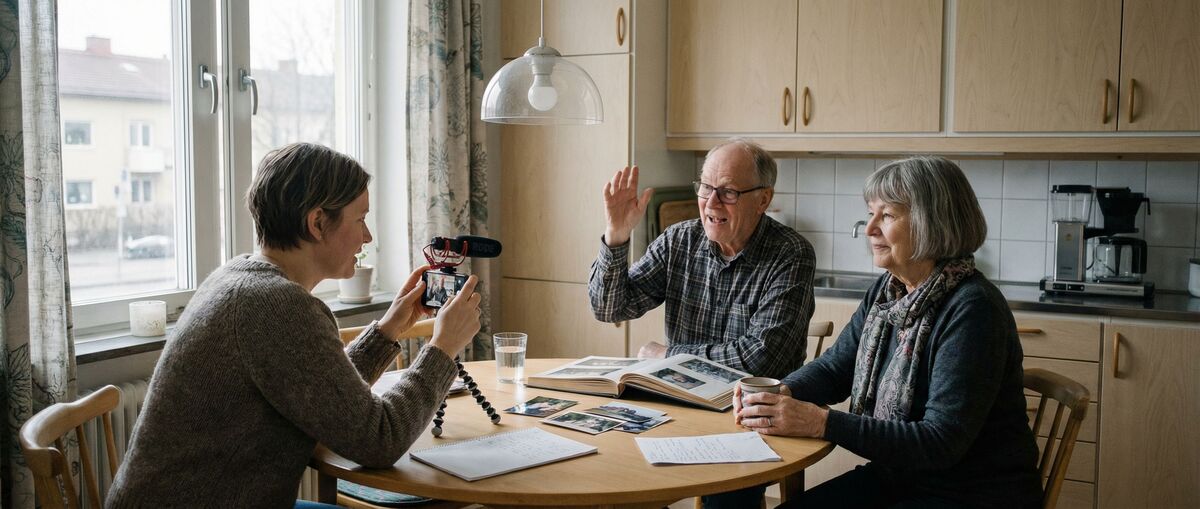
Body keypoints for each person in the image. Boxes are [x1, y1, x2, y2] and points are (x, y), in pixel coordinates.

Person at [106, 143, 483, 508]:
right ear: (318, 222)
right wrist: (443, 347)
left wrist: (389, 329)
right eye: (361, 219)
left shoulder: (239, 278)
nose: (367, 237)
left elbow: (322, 394)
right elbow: (379, 439)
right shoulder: (275, 305)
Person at [736, 156, 1042, 508]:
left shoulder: (973, 309)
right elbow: (836, 368)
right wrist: (777, 393)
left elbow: (939, 442)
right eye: (871, 213)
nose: (869, 229)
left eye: (887, 215)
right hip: (900, 478)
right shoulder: (888, 291)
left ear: (932, 222)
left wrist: (821, 422)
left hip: (972, 493)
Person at [589, 138, 815, 381]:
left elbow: (762, 361)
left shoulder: (790, 253)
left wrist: (669, 355)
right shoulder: (679, 240)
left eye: (728, 192)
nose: (711, 203)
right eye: (706, 187)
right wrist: (616, 235)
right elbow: (609, 309)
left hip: (755, 409)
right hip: (682, 397)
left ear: (763, 200)